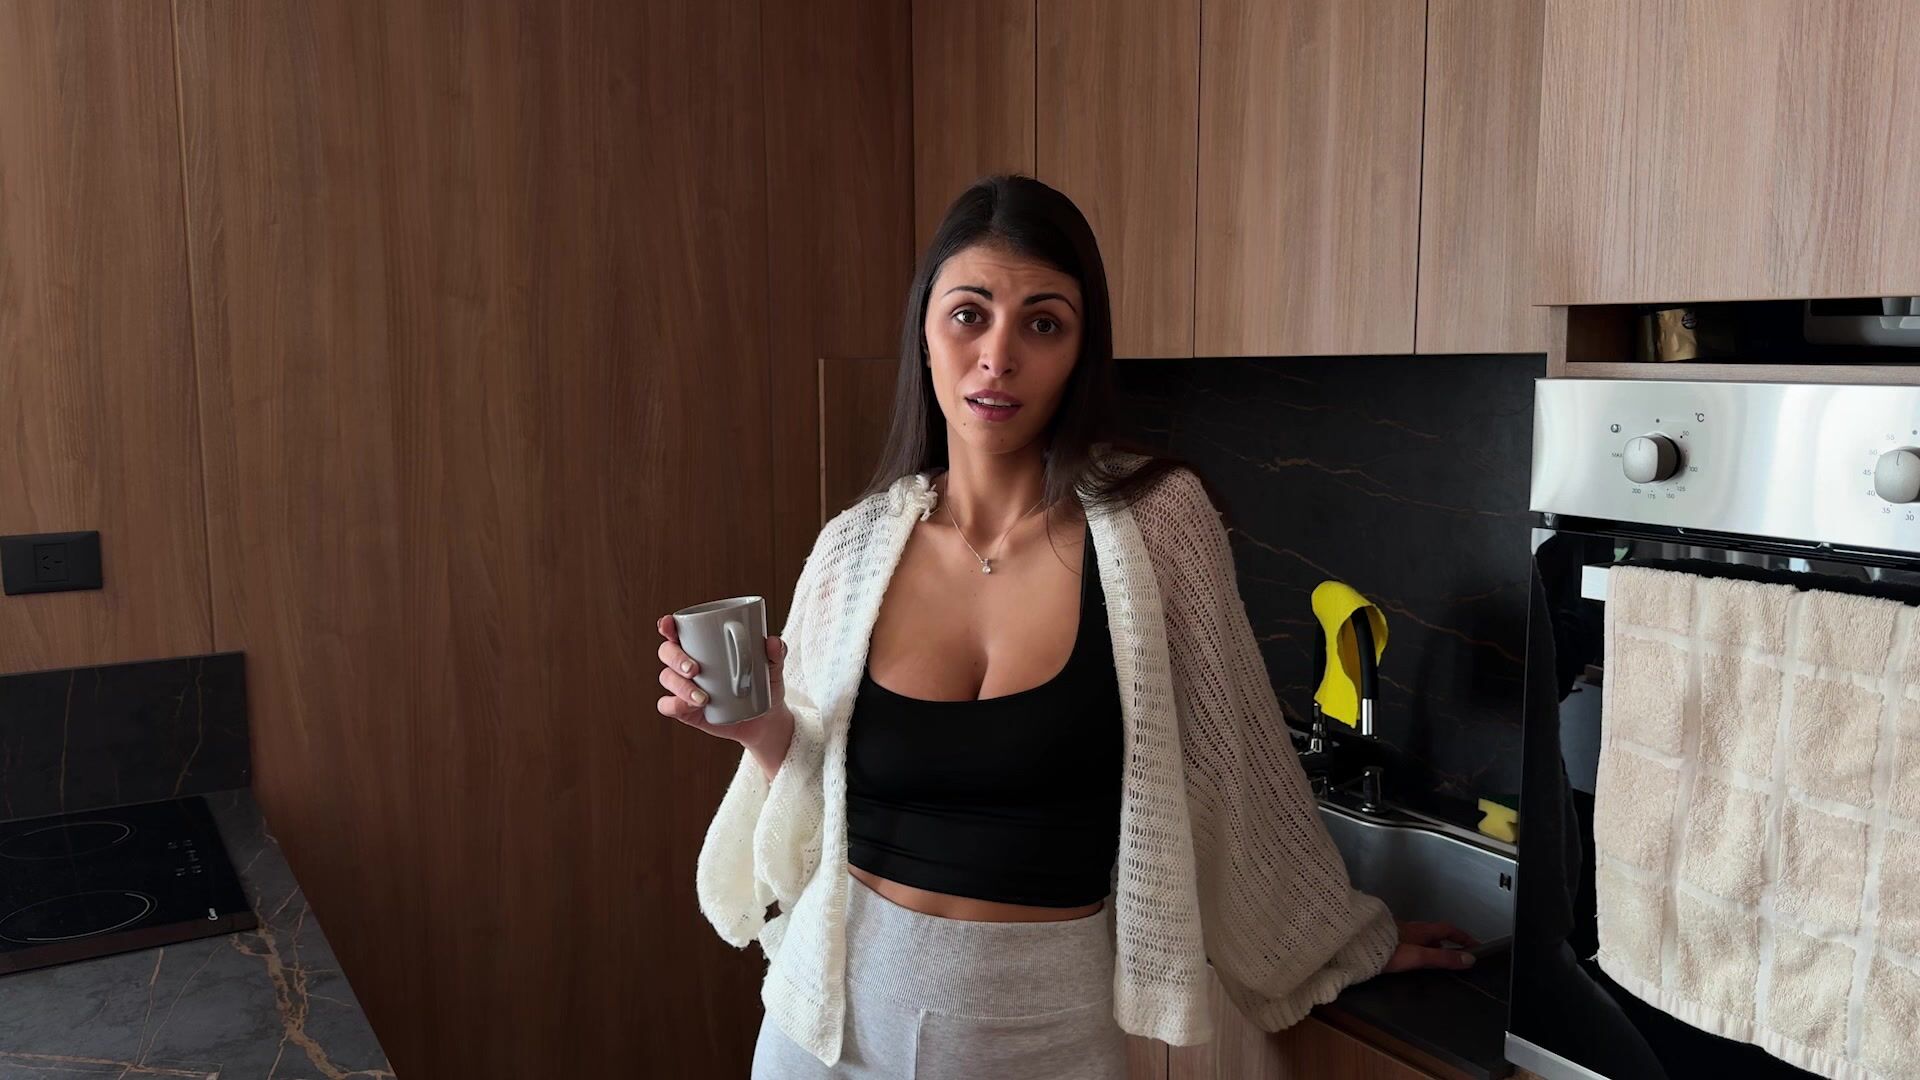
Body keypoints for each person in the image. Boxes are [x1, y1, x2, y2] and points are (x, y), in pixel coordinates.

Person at [658, 175, 1475, 1079]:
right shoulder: (852, 551)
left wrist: (1342, 945)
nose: (997, 356)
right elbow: (818, 801)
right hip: (825, 1036)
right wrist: (760, 729)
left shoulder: (1158, 526)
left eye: (1042, 324)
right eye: (969, 315)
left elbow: (1236, 771)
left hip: (1047, 1042)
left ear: (1081, 350)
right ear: (925, 330)